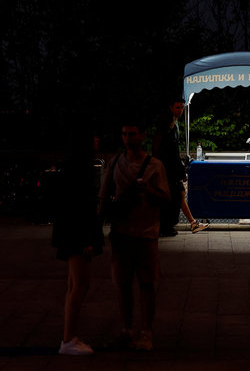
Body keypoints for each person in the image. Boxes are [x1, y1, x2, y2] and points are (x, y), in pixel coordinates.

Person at [99, 119, 171, 351]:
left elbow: (166, 199)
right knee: (123, 285)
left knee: (147, 284)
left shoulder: (154, 166)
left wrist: (148, 191)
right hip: (121, 233)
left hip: (146, 234)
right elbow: (103, 197)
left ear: (142, 136)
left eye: (132, 134)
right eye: (124, 134)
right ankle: (127, 329)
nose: (127, 138)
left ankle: (146, 332)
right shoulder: (115, 163)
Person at [52, 130, 104, 355]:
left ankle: (69, 337)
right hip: (77, 235)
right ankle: (68, 339)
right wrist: (87, 240)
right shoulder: (80, 171)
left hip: (69, 234)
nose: (97, 140)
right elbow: (81, 208)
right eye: (93, 137)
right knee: (80, 285)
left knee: (74, 285)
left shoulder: (71, 168)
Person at [153, 97, 207, 235]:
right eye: (178, 107)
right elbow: (169, 150)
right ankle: (190, 223)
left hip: (169, 167)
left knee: (179, 194)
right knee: (178, 194)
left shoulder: (174, 123)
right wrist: (179, 169)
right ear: (171, 107)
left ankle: (192, 223)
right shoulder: (168, 124)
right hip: (167, 168)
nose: (180, 110)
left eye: (182, 107)